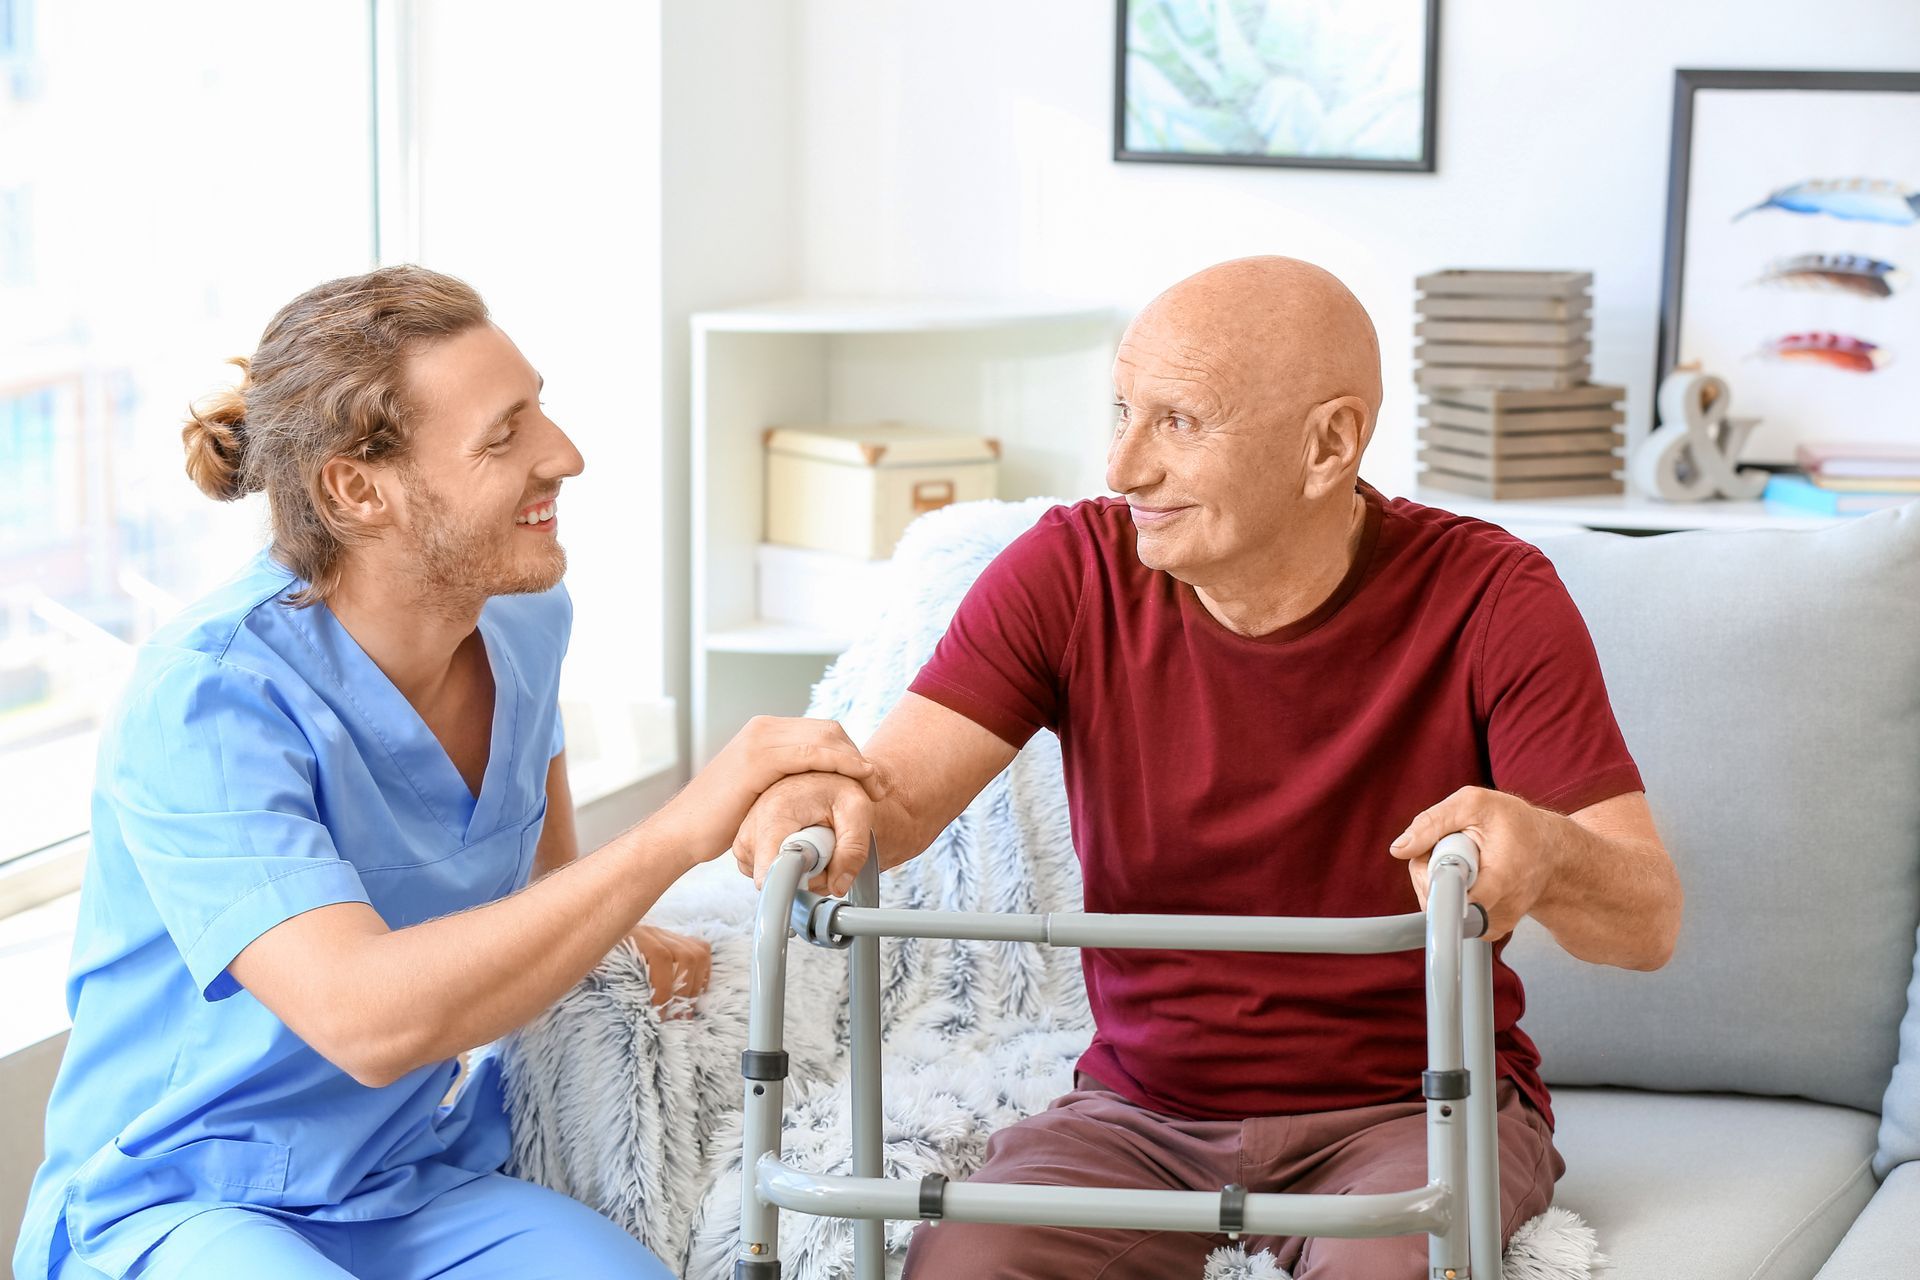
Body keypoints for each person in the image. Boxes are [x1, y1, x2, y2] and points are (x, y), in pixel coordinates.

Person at [732, 256, 1685, 1278]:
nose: (1123, 465)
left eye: (1179, 422)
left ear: (1329, 444)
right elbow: (895, 798)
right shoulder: (1068, 570)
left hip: (1411, 1108)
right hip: (1137, 1118)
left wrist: (1543, 847)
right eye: (1123, 411)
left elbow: (1646, 922)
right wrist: (821, 790)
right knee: (968, 1261)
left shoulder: (1493, 595)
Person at [15, 265, 876, 1280]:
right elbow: (367, 1020)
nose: (565, 454)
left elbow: (546, 876)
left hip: (402, 1176)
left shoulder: (523, 616)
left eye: (540, 408)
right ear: (356, 487)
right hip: (180, 1202)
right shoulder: (206, 699)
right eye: (504, 434)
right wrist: (681, 829)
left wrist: (606, 919)